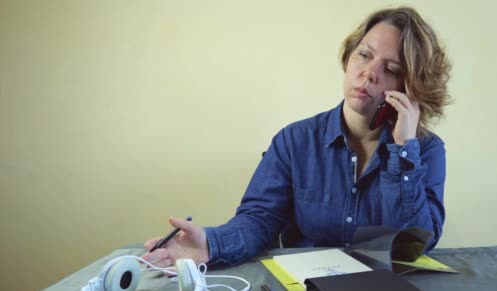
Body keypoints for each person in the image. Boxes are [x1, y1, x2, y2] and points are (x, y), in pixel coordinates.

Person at [142, 6, 451, 268]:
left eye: (391, 68)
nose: (369, 73)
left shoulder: (424, 150)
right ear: (348, 58)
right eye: (364, 55)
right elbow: (259, 220)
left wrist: (403, 150)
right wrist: (211, 244)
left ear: (410, 86)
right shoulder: (294, 142)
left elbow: (414, 246)